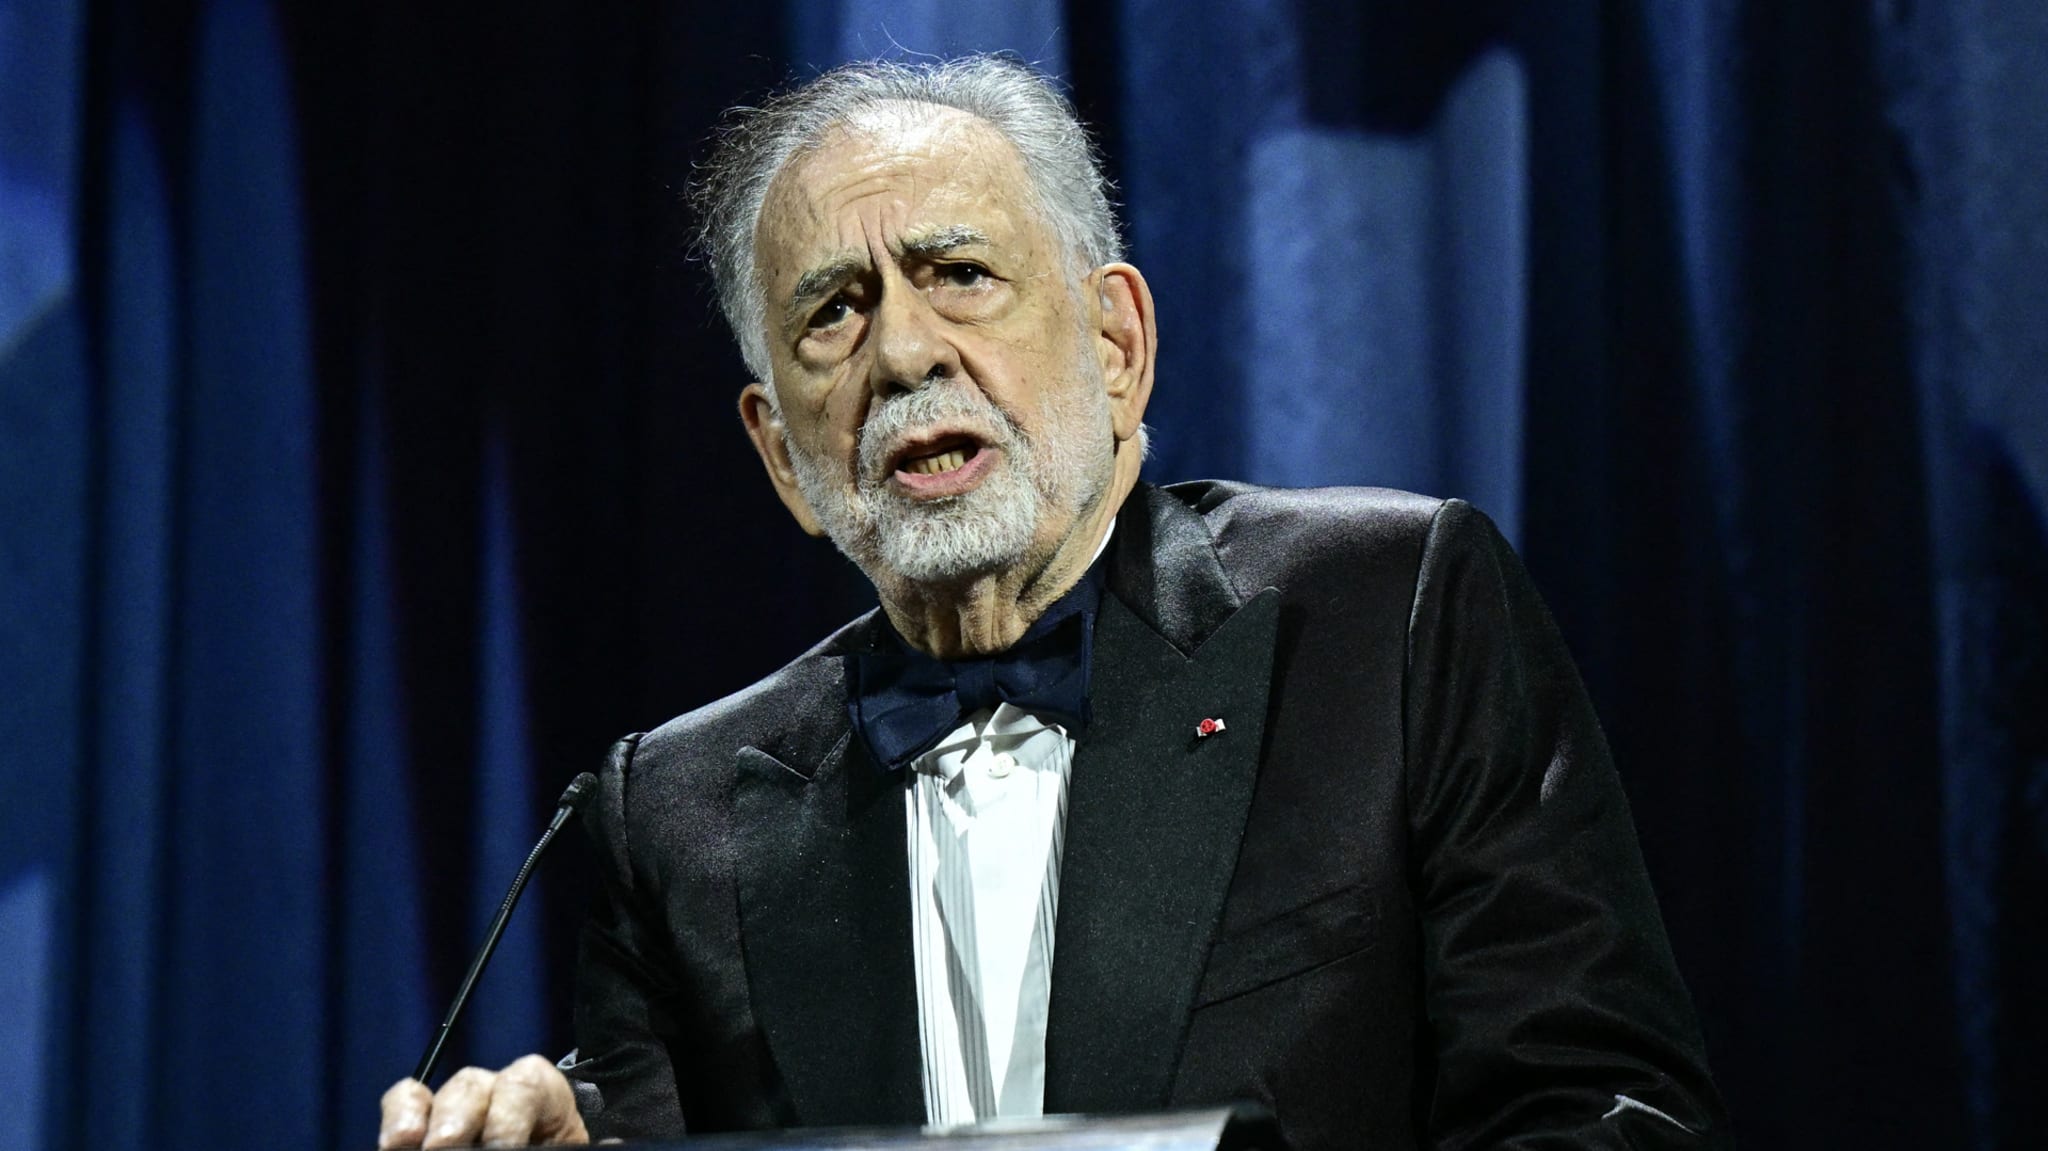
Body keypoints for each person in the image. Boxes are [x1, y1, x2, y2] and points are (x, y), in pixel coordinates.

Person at [378, 55, 1730, 1151]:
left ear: (1117, 344)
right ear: (783, 456)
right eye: (834, 313)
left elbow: (1604, 1117)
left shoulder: (1387, 616)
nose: (906, 351)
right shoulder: (674, 812)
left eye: (959, 273)